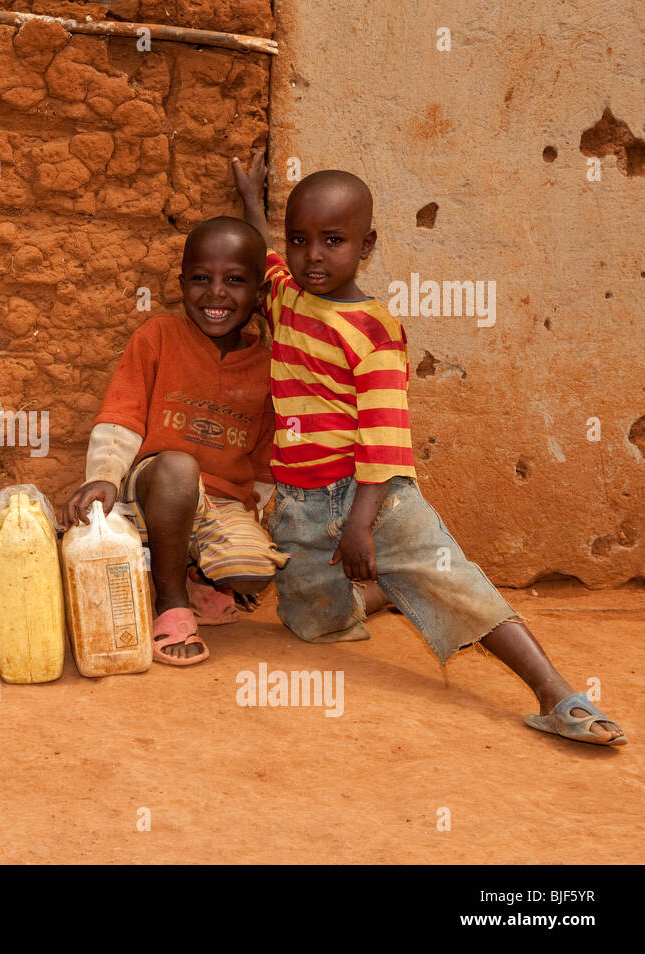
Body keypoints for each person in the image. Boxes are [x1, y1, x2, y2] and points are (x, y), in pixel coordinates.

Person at [232, 148, 626, 745]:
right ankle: (391, 586)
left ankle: (558, 693)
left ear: (366, 246)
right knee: (309, 621)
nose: (314, 255)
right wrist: (249, 200)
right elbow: (261, 251)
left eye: (333, 240)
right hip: (299, 504)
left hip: (376, 498)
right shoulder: (284, 296)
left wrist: (361, 525)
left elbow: (385, 441)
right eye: (300, 239)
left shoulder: (375, 332)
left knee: (458, 584)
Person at [64, 217, 287, 666]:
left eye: (235, 281)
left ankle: (198, 577)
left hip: (221, 503)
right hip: (152, 492)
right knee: (179, 466)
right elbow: (122, 414)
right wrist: (105, 477)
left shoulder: (266, 366)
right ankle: (171, 603)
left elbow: (264, 457)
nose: (216, 294)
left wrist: (257, 513)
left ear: (260, 296)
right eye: (201, 279)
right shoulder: (158, 337)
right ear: (182, 283)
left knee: (252, 572)